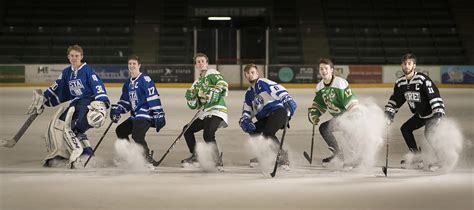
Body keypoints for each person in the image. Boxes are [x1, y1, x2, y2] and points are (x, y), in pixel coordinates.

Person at [27, 44, 109, 167]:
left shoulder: (87, 70)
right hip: (75, 103)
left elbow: (97, 84)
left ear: (81, 56)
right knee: (59, 124)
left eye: (77, 55)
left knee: (76, 127)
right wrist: (44, 98)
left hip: (87, 102)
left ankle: (82, 153)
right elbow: (56, 86)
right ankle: (65, 153)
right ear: (68, 57)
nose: (74, 58)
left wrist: (102, 101)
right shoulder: (66, 72)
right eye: (72, 56)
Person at [384, 53, 445, 170]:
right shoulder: (400, 83)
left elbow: (433, 94)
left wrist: (438, 111)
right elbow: (396, 100)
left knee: (429, 134)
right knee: (405, 129)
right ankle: (417, 157)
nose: (406, 66)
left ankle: (442, 159)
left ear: (414, 66)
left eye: (409, 63)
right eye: (404, 64)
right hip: (421, 115)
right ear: (401, 66)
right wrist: (389, 112)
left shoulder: (422, 79)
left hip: (432, 113)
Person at [109, 55, 166, 165]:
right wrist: (118, 110)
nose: (131, 66)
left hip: (146, 114)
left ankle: (146, 157)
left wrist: (158, 112)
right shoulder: (127, 84)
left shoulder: (145, 79)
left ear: (139, 65)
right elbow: (125, 101)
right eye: (130, 64)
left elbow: (153, 96)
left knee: (137, 135)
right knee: (120, 130)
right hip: (135, 115)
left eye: (134, 63)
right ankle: (129, 155)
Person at [239, 63, 297, 168]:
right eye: (247, 73)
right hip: (266, 117)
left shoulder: (262, 82)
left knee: (268, 133)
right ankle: (264, 155)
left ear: (257, 73)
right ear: (245, 75)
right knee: (253, 130)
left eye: (252, 72)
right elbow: (247, 109)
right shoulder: (249, 93)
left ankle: (282, 157)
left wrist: (286, 98)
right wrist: (245, 119)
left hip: (279, 112)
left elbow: (278, 89)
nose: (250, 75)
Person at [307, 58, 359, 167]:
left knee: (347, 135)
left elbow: (349, 99)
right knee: (324, 128)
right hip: (339, 117)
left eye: (326, 68)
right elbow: (319, 103)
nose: (323, 71)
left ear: (331, 70)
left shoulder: (339, 83)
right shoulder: (320, 86)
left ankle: (354, 159)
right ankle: (338, 154)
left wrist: (354, 113)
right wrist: (315, 114)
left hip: (348, 116)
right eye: (321, 69)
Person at [181, 53, 228, 170]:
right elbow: (194, 105)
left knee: (208, 134)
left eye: (202, 61)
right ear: (195, 65)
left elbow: (223, 85)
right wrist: (190, 98)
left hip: (217, 110)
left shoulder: (212, 73)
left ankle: (217, 161)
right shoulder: (196, 83)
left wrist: (215, 91)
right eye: (198, 61)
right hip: (205, 113)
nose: (200, 63)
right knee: (187, 129)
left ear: (207, 63)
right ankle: (196, 156)